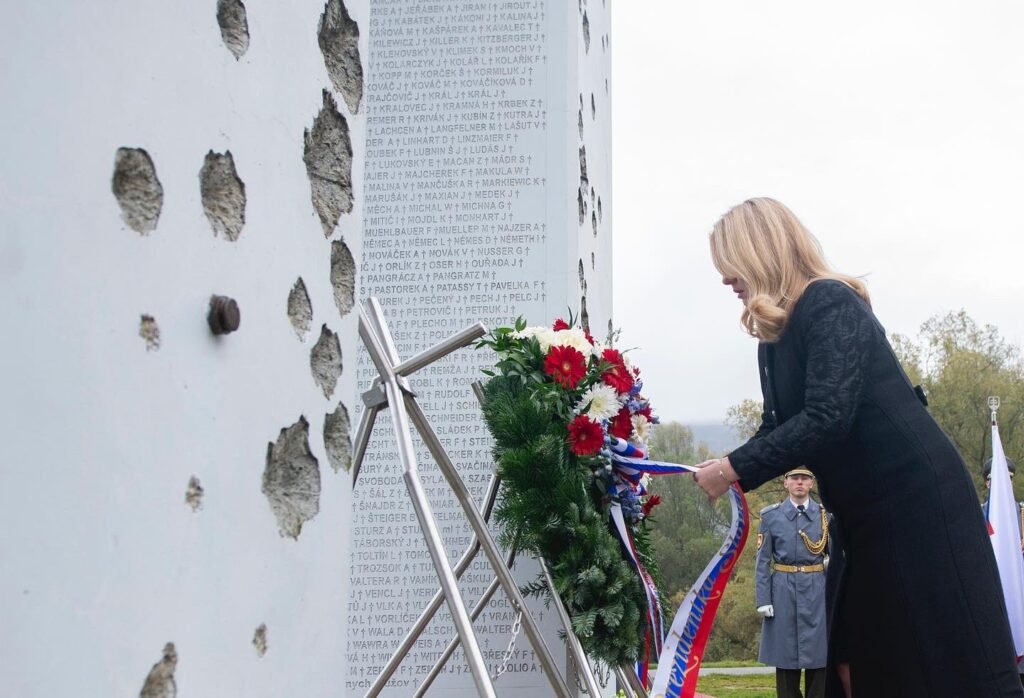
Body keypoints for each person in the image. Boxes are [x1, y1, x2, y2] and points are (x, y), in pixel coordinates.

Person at [692, 198, 1023, 697]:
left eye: (729, 264)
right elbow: (775, 427)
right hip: (865, 520)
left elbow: (829, 417)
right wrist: (725, 467)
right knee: (853, 659)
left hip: (917, 510)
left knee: (930, 662)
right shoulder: (773, 336)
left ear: (760, 252)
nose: (725, 281)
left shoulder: (830, 302)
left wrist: (734, 467)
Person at [755, 467, 828, 698]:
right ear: (785, 483)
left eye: (804, 478)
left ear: (811, 484)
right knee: (785, 658)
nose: (799, 482)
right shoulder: (770, 516)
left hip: (818, 591)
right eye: (794, 478)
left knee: (820, 657)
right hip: (783, 591)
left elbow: (836, 559)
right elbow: (762, 561)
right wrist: (763, 599)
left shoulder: (825, 516)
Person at [981, 456, 1024, 684]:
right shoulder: (977, 515)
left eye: (1007, 480)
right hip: (992, 595)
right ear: (988, 484)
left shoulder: (1023, 513)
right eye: (997, 480)